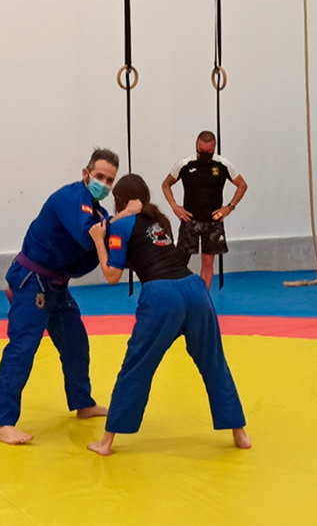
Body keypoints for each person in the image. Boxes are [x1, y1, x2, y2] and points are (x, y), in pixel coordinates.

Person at [86, 174, 250, 456]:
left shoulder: (119, 224)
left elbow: (112, 274)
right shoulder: (161, 221)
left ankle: (106, 442)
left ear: (119, 201)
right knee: (214, 362)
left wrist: (99, 240)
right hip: (195, 290)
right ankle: (240, 433)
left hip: (162, 296)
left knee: (137, 366)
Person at [0, 148, 136, 445]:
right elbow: (88, 238)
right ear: (86, 174)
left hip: (57, 285)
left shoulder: (99, 212)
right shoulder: (70, 198)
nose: (104, 183)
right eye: (99, 176)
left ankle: (82, 403)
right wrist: (124, 216)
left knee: (76, 343)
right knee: (23, 348)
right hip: (33, 281)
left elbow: (104, 241)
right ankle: (4, 423)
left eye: (109, 179)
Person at [161, 131, 248, 290]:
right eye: (201, 152)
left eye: (209, 152)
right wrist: (175, 206)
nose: (205, 155)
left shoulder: (224, 165)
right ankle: (178, 296)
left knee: (208, 262)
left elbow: (242, 185)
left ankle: (204, 299)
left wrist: (229, 207)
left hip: (213, 221)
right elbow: (166, 184)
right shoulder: (184, 164)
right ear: (196, 147)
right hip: (189, 220)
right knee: (180, 261)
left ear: (214, 149)